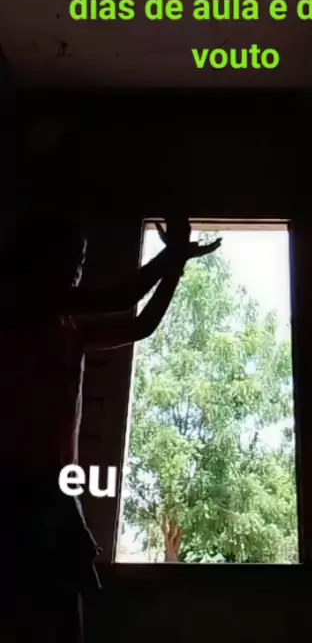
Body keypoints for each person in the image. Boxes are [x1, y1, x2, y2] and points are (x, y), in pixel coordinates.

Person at [0, 212, 221, 641]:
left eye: (80, 260)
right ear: (36, 260)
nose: (75, 269)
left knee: (64, 620)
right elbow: (123, 296)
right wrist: (171, 255)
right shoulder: (16, 306)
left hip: (54, 492)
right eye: (67, 258)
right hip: (12, 491)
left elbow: (140, 324)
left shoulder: (71, 326)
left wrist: (174, 264)